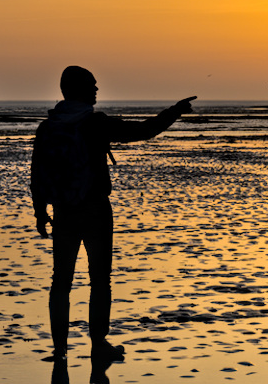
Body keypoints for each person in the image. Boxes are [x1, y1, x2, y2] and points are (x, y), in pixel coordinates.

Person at [31, 65, 194, 361]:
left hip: (64, 210)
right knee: (100, 278)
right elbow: (144, 130)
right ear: (79, 89)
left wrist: (39, 210)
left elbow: (38, 172)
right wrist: (174, 111)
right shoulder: (96, 123)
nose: (96, 90)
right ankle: (98, 343)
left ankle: (59, 349)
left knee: (61, 280)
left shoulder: (49, 126)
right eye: (92, 86)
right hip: (95, 209)